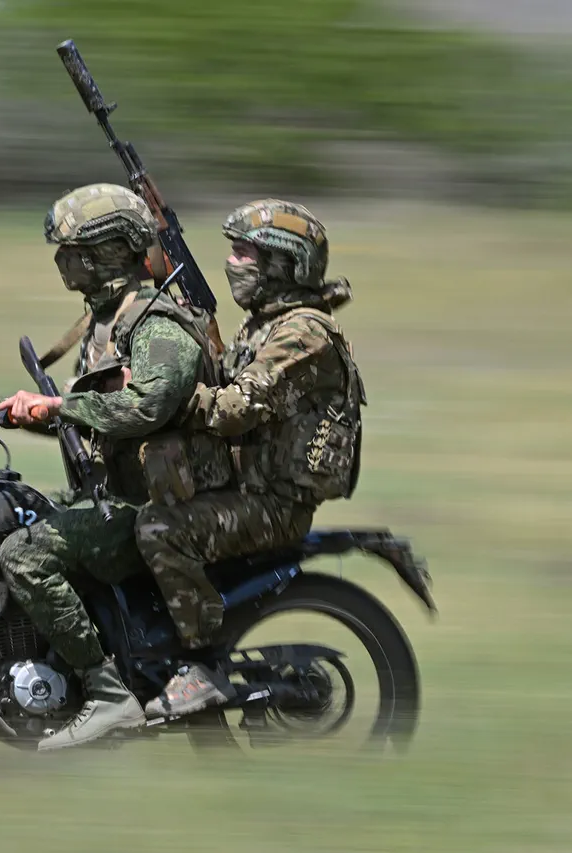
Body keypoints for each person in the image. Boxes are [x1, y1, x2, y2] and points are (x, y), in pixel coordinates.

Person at [0, 183, 232, 750]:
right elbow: (92, 415)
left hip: (157, 508)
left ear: (108, 252)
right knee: (9, 514)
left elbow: (146, 406)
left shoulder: (157, 324)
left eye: (73, 249)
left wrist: (57, 406)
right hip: (118, 495)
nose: (62, 261)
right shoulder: (106, 322)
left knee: (25, 554)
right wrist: (7, 415)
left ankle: (107, 692)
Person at [140, 198, 365, 719]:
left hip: (273, 505)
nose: (232, 262)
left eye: (245, 253)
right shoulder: (261, 326)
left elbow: (235, 409)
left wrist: (165, 397)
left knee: (159, 530)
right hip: (243, 489)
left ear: (285, 264)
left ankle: (203, 667)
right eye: (233, 251)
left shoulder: (303, 333)